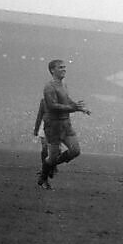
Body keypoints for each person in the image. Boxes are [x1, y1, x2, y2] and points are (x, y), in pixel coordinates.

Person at [37, 59, 90, 189]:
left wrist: (78, 107)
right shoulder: (49, 87)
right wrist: (73, 108)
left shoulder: (64, 84)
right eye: (60, 67)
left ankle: (48, 167)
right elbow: (52, 106)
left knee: (75, 151)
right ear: (52, 70)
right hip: (53, 126)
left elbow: (66, 100)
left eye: (64, 67)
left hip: (66, 123)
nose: (64, 69)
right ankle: (44, 176)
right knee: (52, 157)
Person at [33, 98, 58, 180]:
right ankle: (44, 168)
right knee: (44, 148)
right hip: (44, 126)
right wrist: (36, 129)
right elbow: (40, 115)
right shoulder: (43, 101)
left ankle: (52, 167)